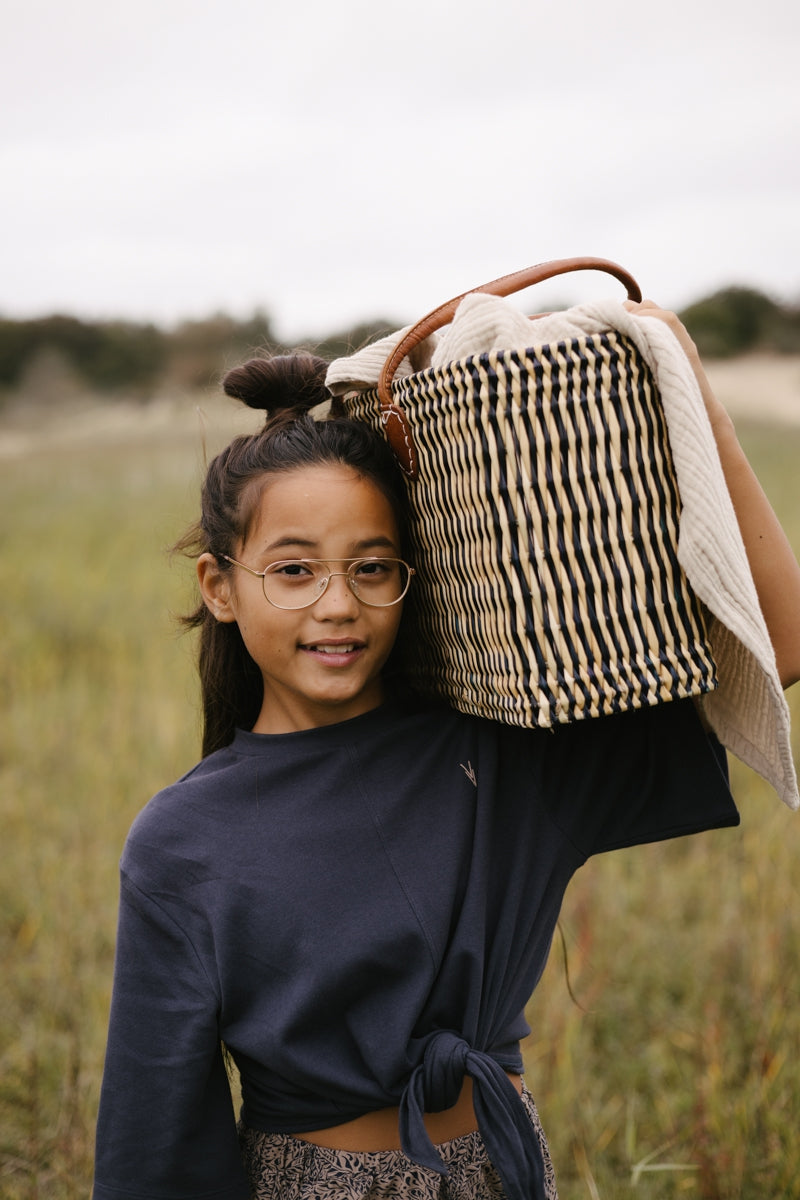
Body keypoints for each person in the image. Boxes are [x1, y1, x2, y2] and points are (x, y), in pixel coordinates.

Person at [93, 306, 800, 1200]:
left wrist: (693, 395)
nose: (338, 605)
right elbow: (155, 1148)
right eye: (295, 568)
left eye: (374, 566)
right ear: (221, 586)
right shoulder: (183, 840)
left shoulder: (501, 751)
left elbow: (774, 645)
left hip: (503, 1171)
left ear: (412, 579)